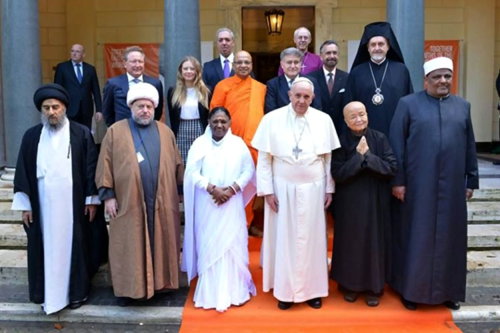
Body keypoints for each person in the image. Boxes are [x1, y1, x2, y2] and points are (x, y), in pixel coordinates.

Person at [389, 57, 479, 311]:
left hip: (452, 187)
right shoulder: (408, 104)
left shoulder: (463, 106)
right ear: (426, 80)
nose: (443, 81)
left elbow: (470, 144)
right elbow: (397, 144)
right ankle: (410, 290)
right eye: (437, 77)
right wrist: (398, 181)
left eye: (447, 76)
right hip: (417, 186)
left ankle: (449, 292)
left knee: (451, 239)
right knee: (416, 237)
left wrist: (471, 179)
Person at [12, 83, 108, 314]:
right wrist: (25, 205)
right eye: (46, 108)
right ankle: (45, 293)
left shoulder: (81, 133)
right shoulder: (31, 136)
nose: (51, 112)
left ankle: (75, 293)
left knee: (76, 245)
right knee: (45, 248)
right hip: (42, 203)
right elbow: (22, 172)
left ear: (64, 107)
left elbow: (90, 167)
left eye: (55, 106)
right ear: (41, 110)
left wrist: (91, 199)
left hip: (72, 205)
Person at [252, 77, 340, 310]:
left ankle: (313, 290)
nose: (301, 100)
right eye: (297, 95)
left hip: (314, 189)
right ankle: (285, 290)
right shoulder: (272, 119)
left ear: (313, 98)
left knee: (312, 240)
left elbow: (328, 158)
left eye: (306, 97)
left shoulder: (323, 120)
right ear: (289, 95)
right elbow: (263, 159)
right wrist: (267, 190)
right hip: (282, 189)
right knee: (284, 240)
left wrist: (329, 187)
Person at [96, 82, 183, 306]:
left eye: (148, 106)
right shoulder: (115, 131)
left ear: (154, 109)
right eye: (140, 106)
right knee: (129, 244)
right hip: (128, 201)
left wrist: (181, 193)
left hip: (162, 201)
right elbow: (105, 164)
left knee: (162, 241)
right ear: (131, 107)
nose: (144, 110)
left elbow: (177, 165)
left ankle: (162, 286)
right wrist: (108, 196)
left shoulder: (165, 132)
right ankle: (129, 290)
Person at [182, 107, 257, 312]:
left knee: (233, 243)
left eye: (223, 121)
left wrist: (231, 190)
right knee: (210, 244)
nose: (219, 125)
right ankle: (210, 293)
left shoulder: (238, 144)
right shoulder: (199, 145)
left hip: (231, 204)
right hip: (208, 205)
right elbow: (192, 173)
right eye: (215, 121)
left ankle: (236, 291)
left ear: (230, 122)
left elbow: (248, 170)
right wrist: (212, 189)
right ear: (208, 122)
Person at [330, 101, 397, 307]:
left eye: (362, 114)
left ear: (367, 114)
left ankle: (374, 288)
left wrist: (368, 156)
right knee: (351, 244)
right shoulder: (340, 141)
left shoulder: (380, 138)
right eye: (353, 116)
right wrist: (358, 158)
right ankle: (350, 286)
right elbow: (337, 173)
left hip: (376, 202)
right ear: (345, 120)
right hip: (349, 204)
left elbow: (391, 167)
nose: (359, 119)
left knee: (374, 244)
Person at [210, 50, 266, 229]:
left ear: (251, 65)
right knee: (230, 183)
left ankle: (248, 224)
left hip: (254, 146)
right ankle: (229, 225)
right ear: (233, 65)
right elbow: (215, 114)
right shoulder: (222, 86)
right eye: (240, 62)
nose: (243, 65)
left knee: (251, 186)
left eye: (247, 62)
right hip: (230, 145)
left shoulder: (260, 88)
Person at [344, 22, 413, 137]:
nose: (377, 48)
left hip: (396, 132)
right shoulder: (357, 72)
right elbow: (349, 105)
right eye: (373, 44)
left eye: (381, 44)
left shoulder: (401, 70)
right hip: (364, 134)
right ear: (367, 47)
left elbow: (409, 103)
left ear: (388, 46)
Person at [102, 45, 164, 127]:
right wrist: (117, 129)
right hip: (123, 131)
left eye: (140, 61)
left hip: (147, 130)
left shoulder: (155, 84)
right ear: (125, 63)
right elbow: (107, 112)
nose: (137, 65)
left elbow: (158, 111)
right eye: (134, 61)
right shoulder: (113, 84)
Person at [167, 56, 210, 164]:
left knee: (200, 161)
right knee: (182, 164)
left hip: (200, 129)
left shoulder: (206, 91)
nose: (188, 71)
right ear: (181, 71)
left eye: (192, 69)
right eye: (185, 69)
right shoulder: (173, 91)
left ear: (197, 71)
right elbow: (172, 117)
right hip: (181, 130)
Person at [54, 44, 103, 130]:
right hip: (68, 108)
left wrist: (99, 110)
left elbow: (96, 90)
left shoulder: (90, 69)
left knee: (85, 134)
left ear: (83, 54)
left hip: (86, 109)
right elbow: (57, 89)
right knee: (70, 134)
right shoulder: (62, 67)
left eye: (77, 51)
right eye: (72, 51)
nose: (74, 53)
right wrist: (57, 107)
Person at [307, 40, 349, 132]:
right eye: (328, 53)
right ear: (321, 56)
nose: (332, 56)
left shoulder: (347, 77)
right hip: (317, 129)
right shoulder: (311, 78)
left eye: (335, 53)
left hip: (341, 131)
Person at [265, 47, 322, 113]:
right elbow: (271, 111)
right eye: (289, 62)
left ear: (301, 64)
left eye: (296, 62)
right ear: (282, 65)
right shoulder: (273, 84)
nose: (293, 66)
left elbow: (317, 109)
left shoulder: (312, 82)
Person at [202, 27, 235, 92]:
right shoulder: (207, 67)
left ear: (233, 43)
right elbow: (204, 93)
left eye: (227, 40)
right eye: (220, 40)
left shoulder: (243, 65)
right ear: (217, 44)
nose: (224, 43)